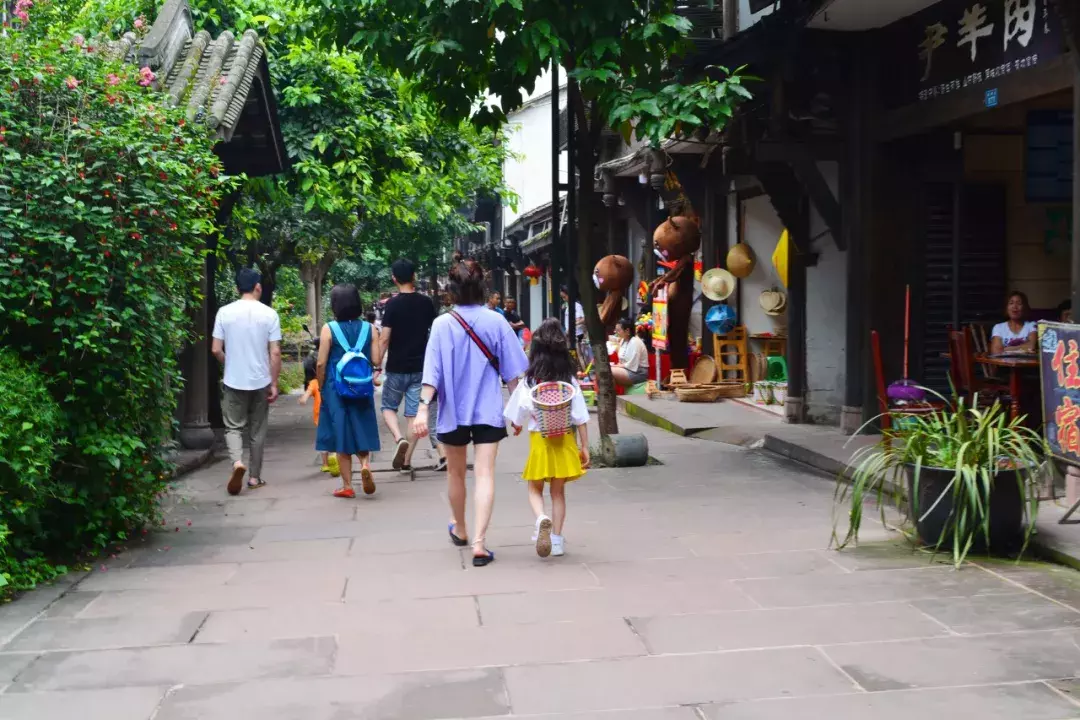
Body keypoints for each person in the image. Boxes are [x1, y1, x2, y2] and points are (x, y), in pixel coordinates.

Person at [414, 256, 529, 567]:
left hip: (452, 413)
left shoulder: (441, 325)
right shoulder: (497, 322)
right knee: (485, 474)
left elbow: (431, 374)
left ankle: (461, 529)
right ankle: (480, 543)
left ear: (451, 290)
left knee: (455, 473)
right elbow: (514, 373)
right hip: (489, 410)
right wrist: (517, 412)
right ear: (483, 288)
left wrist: (423, 410)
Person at [504, 319, 591, 558]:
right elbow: (580, 417)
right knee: (558, 492)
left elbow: (519, 411)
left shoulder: (531, 381)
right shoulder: (569, 382)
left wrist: (518, 424)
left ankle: (542, 518)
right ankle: (558, 540)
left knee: (534, 488)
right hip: (564, 439)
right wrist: (585, 446)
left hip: (539, 441)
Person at [212, 268, 282, 496]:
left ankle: (236, 463)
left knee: (233, 427)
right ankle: (254, 477)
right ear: (258, 287)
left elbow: (215, 349)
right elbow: (275, 353)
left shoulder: (224, 312)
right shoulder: (269, 314)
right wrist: (273, 383)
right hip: (260, 380)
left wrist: (228, 363)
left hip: (234, 380)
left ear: (236, 288)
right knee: (257, 430)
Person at [376, 258, 446, 473]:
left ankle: (399, 441)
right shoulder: (426, 303)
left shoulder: (392, 305)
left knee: (388, 407)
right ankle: (405, 461)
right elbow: (434, 334)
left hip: (397, 367)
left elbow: (385, 338)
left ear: (394, 279)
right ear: (414, 276)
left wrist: (377, 361)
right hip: (421, 367)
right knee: (414, 417)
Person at [316, 284, 382, 499]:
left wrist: (322, 385)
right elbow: (376, 360)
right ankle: (365, 465)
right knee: (361, 425)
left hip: (337, 388)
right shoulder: (369, 329)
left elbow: (321, 363)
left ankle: (347, 485)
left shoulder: (329, 329)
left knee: (342, 432)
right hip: (361, 386)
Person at [298, 338, 339, 478]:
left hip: (320, 416)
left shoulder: (315, 382)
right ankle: (336, 456)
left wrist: (303, 398)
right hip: (335, 412)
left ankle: (326, 464)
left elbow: (307, 393)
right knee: (336, 435)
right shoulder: (333, 379)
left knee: (323, 439)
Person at [611, 318, 650, 387]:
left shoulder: (635, 342)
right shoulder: (623, 340)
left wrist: (615, 366)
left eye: (618, 330)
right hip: (627, 369)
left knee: (608, 371)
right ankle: (610, 396)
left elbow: (632, 365)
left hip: (638, 373)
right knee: (606, 371)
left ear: (627, 330)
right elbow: (621, 361)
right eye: (616, 330)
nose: (616, 332)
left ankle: (611, 396)